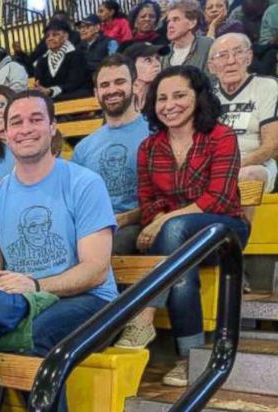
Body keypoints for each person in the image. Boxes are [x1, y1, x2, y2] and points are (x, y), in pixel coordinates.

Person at [0, 90, 117, 412]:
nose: (25, 129)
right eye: (15, 121)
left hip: (89, 300)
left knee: (37, 335)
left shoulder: (84, 182)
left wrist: (35, 284)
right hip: (22, 301)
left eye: (36, 119)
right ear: (3, 133)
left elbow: (96, 269)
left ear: (53, 127)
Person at [135, 67, 249, 387]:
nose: (169, 104)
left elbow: (220, 198)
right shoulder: (148, 147)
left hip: (225, 232)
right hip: (176, 241)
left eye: (179, 95)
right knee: (178, 257)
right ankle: (191, 356)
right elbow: (147, 200)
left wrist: (165, 219)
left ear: (198, 98)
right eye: (162, 98)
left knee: (174, 232)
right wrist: (161, 218)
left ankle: (145, 315)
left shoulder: (221, 136)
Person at [72, 55, 151, 268]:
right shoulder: (84, 147)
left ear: (134, 85)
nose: (112, 90)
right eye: (104, 85)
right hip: (92, 228)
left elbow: (166, 198)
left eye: (119, 82)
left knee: (102, 251)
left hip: (136, 225)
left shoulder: (154, 134)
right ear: (96, 93)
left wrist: (125, 218)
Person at [210, 32, 278, 192]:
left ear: (249, 57)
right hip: (213, 168)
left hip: (255, 165)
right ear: (211, 66)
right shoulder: (207, 95)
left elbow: (272, 145)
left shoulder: (267, 86)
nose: (231, 61)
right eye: (222, 55)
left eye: (238, 52)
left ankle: (241, 218)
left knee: (249, 175)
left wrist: (232, 168)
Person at [33, 17, 93, 101]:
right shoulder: (42, 60)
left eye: (55, 34)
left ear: (65, 36)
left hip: (75, 97)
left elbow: (75, 83)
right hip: (52, 98)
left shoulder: (77, 55)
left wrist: (52, 91)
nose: (50, 38)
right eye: (47, 36)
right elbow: (40, 84)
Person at [162, 0, 213, 71]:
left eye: (176, 20)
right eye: (168, 21)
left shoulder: (208, 45)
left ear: (192, 23)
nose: (170, 25)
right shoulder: (164, 53)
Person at [125, 42, 163, 109]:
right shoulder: (122, 99)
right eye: (148, 60)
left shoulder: (164, 97)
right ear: (131, 66)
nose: (157, 64)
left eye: (157, 58)